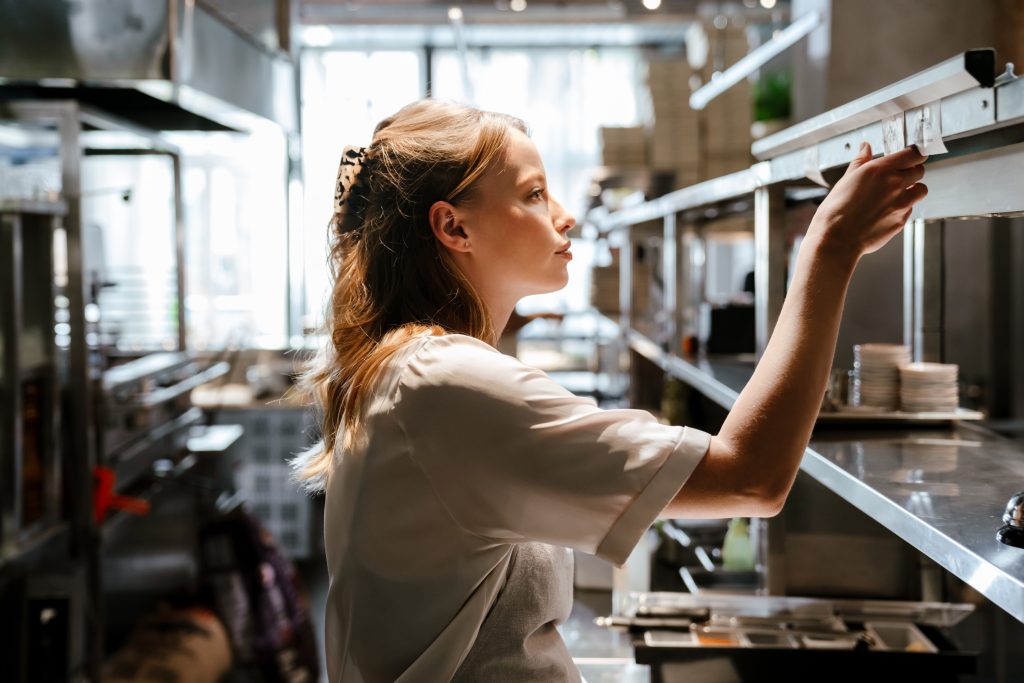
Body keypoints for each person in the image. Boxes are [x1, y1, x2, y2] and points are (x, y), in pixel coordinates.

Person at [293, 99, 927, 682]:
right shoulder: (447, 382)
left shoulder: (415, 370)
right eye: (535, 194)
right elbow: (752, 476)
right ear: (454, 228)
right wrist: (827, 250)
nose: (564, 215)